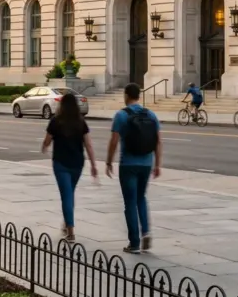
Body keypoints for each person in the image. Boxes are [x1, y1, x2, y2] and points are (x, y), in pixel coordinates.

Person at [106, 83, 161, 254]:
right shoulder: (151, 114)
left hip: (128, 163)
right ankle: (146, 232)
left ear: (126, 95)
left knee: (129, 202)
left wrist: (108, 162)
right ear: (139, 96)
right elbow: (158, 141)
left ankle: (134, 243)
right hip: (146, 163)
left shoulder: (121, 115)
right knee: (141, 198)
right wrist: (157, 164)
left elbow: (114, 141)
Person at [42, 93, 98, 243]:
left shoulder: (55, 121)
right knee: (70, 193)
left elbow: (47, 140)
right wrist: (93, 164)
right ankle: (67, 223)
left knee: (66, 195)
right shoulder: (81, 122)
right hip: (77, 163)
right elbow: (89, 145)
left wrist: (45, 146)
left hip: (60, 163)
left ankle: (71, 231)